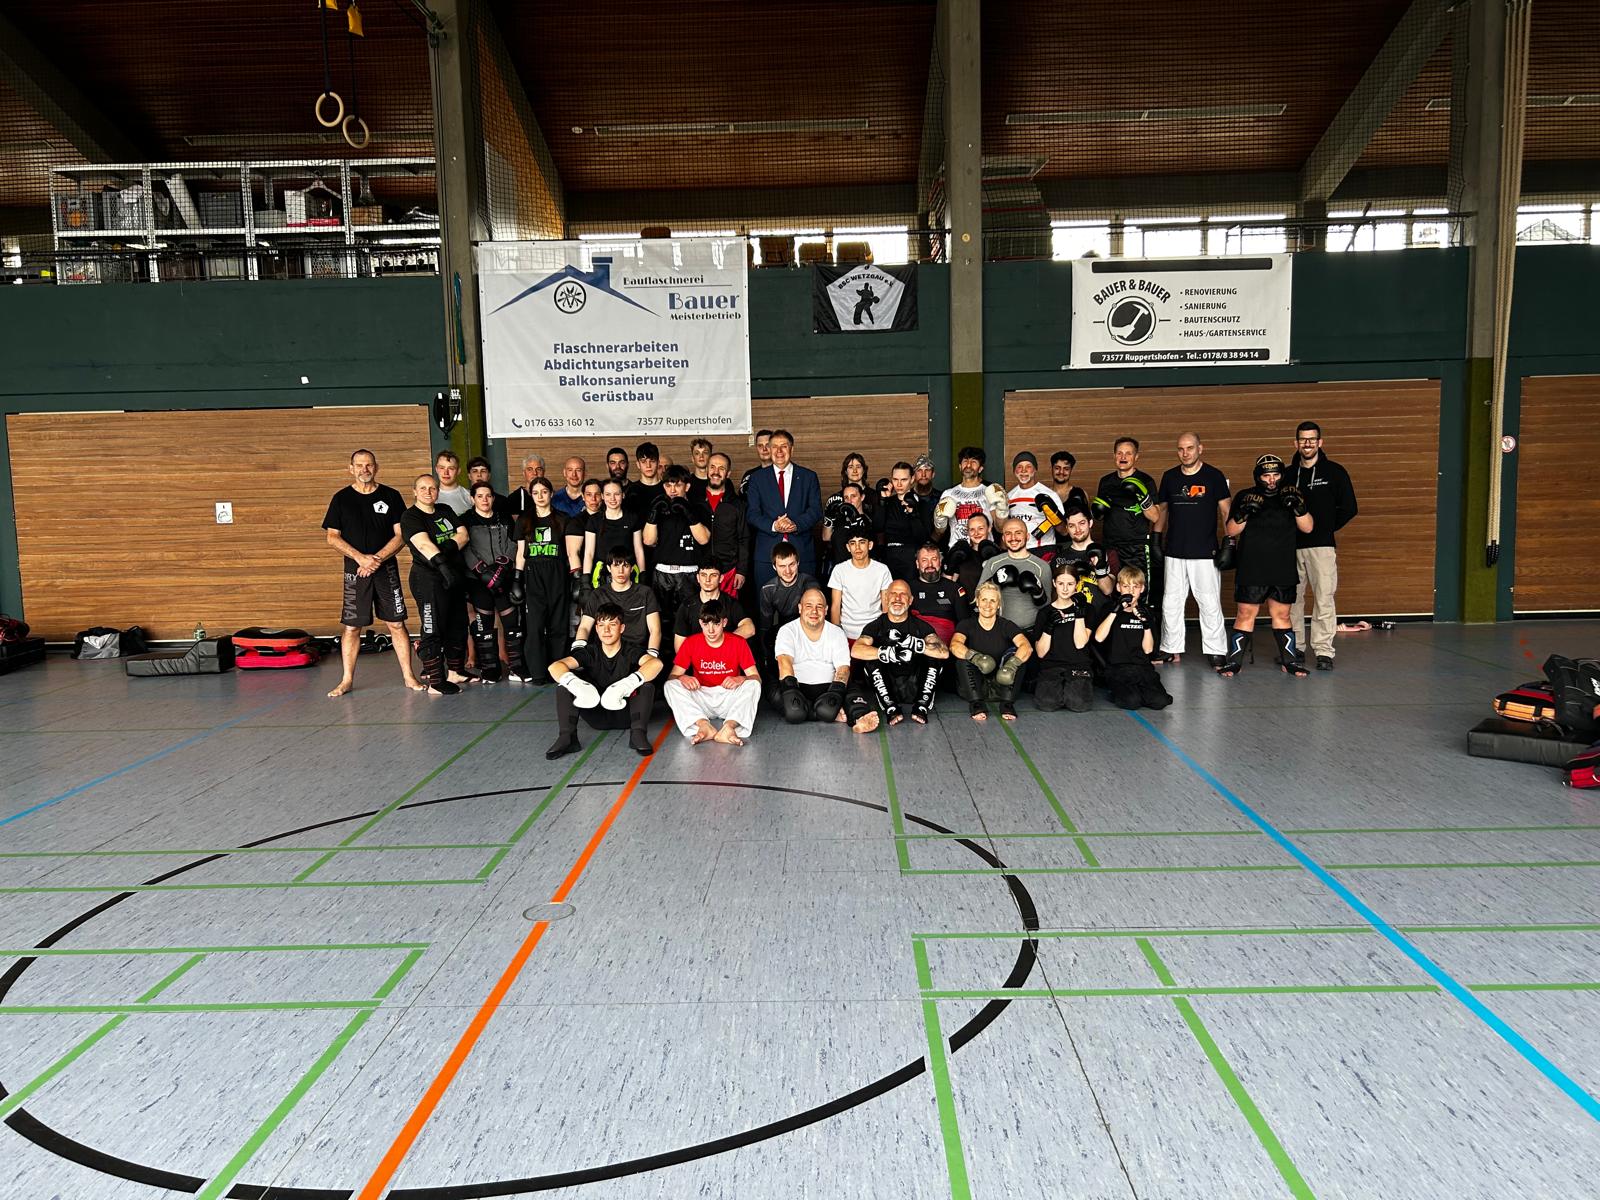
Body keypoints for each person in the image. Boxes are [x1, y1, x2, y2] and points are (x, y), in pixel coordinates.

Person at [322, 449, 421, 697]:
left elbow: (401, 535)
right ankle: (346, 680)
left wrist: (376, 559)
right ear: (351, 468)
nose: (364, 470)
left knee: (396, 623)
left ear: (376, 467)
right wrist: (360, 558)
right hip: (355, 570)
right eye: (359, 465)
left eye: (369, 465)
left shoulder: (391, 495)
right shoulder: (341, 499)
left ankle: (409, 676)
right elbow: (332, 537)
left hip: (385, 568)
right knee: (352, 627)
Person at [1218, 454, 1315, 678]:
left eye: (1276, 474)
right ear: (1258, 476)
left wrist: (1299, 508)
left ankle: (1289, 661)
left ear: (1281, 475)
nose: (1271, 480)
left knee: (1282, 614)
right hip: (1252, 565)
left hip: (1282, 566)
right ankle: (1234, 663)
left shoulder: (1292, 494)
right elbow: (1231, 531)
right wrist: (1243, 512)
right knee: (1245, 613)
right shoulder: (1245, 495)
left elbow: (1308, 528)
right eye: (1266, 475)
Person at [1285, 421, 1358, 670]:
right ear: (1295, 443)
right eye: (1303, 439)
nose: (1307, 444)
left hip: (1322, 547)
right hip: (1291, 546)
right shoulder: (1287, 474)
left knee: (1324, 598)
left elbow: (1350, 508)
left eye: (1312, 439)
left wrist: (1326, 530)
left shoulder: (1335, 472)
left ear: (1320, 442)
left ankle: (1324, 651)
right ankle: (1296, 647)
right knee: (1293, 599)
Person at [546, 602, 661, 759]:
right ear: (596, 628)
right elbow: (555, 667)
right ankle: (567, 737)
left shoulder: (630, 649)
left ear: (622, 628)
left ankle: (638, 735)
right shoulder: (590, 652)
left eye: (612, 624)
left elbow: (656, 663)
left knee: (647, 685)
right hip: (596, 713)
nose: (606, 630)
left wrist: (625, 685)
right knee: (564, 685)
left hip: (625, 715)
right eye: (601, 625)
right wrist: (577, 685)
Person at [1155, 432, 1231, 667]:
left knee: (1209, 602)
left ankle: (1216, 650)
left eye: (1190, 448)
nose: (1185, 453)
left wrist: (1230, 543)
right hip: (1175, 550)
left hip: (1204, 551)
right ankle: (1170, 648)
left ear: (1200, 448)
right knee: (1171, 602)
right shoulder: (1169, 477)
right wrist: (1155, 537)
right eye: (1181, 449)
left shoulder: (1214, 476)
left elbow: (1226, 511)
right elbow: (1163, 510)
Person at [400, 473, 469, 695]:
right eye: (423, 488)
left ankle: (455, 671)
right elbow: (423, 544)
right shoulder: (410, 517)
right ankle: (435, 681)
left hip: (454, 576)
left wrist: (445, 549)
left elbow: (463, 535)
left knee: (457, 624)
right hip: (428, 578)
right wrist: (443, 564)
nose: (428, 492)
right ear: (414, 491)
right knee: (433, 627)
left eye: (432, 488)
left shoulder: (445, 511)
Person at [848, 579, 949, 727]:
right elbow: (856, 650)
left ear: (910, 600)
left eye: (903, 594)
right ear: (886, 598)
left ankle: (922, 705)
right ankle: (890, 707)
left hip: (916, 686)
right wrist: (888, 653)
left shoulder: (920, 626)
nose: (897, 598)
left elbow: (944, 652)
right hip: (888, 686)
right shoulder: (875, 626)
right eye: (893, 594)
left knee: (934, 659)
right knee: (871, 661)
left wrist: (917, 645)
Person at [664, 600, 762, 746]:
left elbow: (756, 678)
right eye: (706, 624)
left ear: (724, 622)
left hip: (729, 696)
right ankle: (703, 725)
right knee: (670, 685)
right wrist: (683, 677)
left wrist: (740, 678)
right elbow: (673, 676)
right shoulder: (691, 642)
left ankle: (729, 727)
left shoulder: (738, 642)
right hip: (701, 696)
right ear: (700, 623)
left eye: (716, 624)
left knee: (753, 685)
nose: (710, 630)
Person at [745, 429, 823, 586]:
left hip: (802, 552)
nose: (779, 451)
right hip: (767, 555)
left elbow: (815, 511)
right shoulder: (756, 479)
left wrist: (795, 524)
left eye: (784, 446)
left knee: (805, 602)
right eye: (774, 446)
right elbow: (752, 514)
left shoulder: (809, 477)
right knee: (766, 605)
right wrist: (774, 525)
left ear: (792, 449)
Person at [461, 480, 521, 683]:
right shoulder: (465, 519)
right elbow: (465, 547)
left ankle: (517, 667)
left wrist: (504, 565)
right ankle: (490, 669)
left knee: (511, 621)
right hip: (478, 580)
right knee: (483, 622)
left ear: (493, 498)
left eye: (488, 496)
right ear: (472, 498)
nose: (484, 500)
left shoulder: (504, 517)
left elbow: (515, 542)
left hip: (503, 576)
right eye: (480, 496)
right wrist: (481, 570)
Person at [512, 477, 568, 685]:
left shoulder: (562, 519)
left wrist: (577, 578)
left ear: (551, 494)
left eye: (544, 492)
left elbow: (570, 552)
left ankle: (558, 669)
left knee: (558, 624)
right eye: (536, 493)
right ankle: (537, 672)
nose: (540, 496)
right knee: (534, 625)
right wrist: (517, 579)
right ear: (531, 496)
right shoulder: (524, 521)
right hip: (533, 575)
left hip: (558, 574)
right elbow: (520, 553)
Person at [643, 465, 712, 633]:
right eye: (668, 485)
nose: (672, 489)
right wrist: (653, 514)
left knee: (690, 620)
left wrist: (689, 514)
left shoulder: (699, 507)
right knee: (662, 622)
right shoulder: (659, 507)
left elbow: (704, 539)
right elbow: (648, 540)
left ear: (686, 486)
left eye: (677, 485)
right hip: (662, 573)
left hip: (689, 574)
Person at [1094, 566, 1173, 710]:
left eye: (1135, 587)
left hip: (1142, 667)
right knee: (1132, 701)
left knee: (1160, 701)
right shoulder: (1109, 608)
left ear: (1142, 589)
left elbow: (1148, 650)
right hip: (1117, 668)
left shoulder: (1147, 611)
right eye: (1126, 586)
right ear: (1118, 587)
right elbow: (1099, 638)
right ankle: (1119, 691)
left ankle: (1139, 690)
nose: (1130, 591)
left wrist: (1146, 624)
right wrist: (1115, 611)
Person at [951, 581, 1031, 720]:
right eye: (984, 600)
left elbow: (1026, 646)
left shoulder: (1006, 625)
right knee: (962, 660)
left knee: (1019, 658)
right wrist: (975, 657)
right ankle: (976, 704)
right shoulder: (967, 624)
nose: (988, 605)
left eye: (993, 601)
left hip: (1001, 685)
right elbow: (954, 645)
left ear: (998, 604)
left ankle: (1007, 704)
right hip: (976, 685)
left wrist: (1011, 665)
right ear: (977, 602)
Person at [773, 587, 852, 725]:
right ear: (800, 608)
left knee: (852, 688)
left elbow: (843, 668)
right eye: (808, 606)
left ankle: (856, 715)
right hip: (798, 685)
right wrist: (791, 690)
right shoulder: (787, 630)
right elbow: (784, 663)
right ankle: (824, 713)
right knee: (790, 708)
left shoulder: (837, 632)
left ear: (826, 610)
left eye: (819, 606)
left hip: (827, 686)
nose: (814, 611)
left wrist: (836, 692)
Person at [1032, 560, 1095, 712]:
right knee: (1047, 704)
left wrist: (1079, 613)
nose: (1065, 589)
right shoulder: (1044, 612)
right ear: (1054, 583)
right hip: (1051, 666)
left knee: (1078, 703)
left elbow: (1080, 643)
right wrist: (1049, 626)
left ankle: (1070, 689)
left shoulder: (1087, 609)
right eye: (1061, 583)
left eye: (1070, 584)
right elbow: (1040, 652)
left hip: (1078, 665)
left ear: (1077, 584)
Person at [575, 549, 662, 659]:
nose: (620, 571)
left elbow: (655, 630)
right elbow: (584, 627)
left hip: (637, 651)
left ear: (632, 568)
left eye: (625, 566)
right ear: (608, 568)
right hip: (605, 651)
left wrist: (651, 657)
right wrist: (578, 650)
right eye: (616, 565)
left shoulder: (645, 593)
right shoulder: (598, 594)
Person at [1092, 437, 1161, 577]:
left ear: (1136, 457)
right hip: (1111, 546)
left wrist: (1142, 495)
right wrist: (1097, 511)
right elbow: (1099, 516)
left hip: (1137, 548)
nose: (1123, 457)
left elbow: (1155, 516)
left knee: (1137, 592)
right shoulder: (1106, 481)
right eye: (1119, 453)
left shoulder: (1146, 480)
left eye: (1128, 453)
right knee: (1112, 591)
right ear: (1114, 456)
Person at [757, 541, 819, 682]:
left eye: (791, 564)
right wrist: (768, 658)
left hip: (808, 630)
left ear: (798, 563)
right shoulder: (768, 589)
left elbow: (815, 622)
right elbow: (765, 627)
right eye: (782, 566)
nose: (788, 571)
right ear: (774, 567)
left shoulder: (810, 584)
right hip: (783, 631)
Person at [977, 517, 1050, 631]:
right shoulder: (993, 563)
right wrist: (994, 581)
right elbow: (978, 597)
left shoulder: (1041, 566)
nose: (1013, 538)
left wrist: (1038, 593)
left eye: (1018, 533)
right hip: (999, 630)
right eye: (1008, 533)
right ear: (1003, 538)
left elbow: (1047, 608)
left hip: (1031, 630)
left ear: (1027, 536)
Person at [933, 445, 1008, 546]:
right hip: (957, 549)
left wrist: (1002, 509)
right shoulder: (948, 494)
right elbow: (940, 532)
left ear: (980, 468)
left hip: (984, 548)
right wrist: (939, 520)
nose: (968, 465)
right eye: (965, 461)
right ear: (960, 466)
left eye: (973, 462)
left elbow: (1000, 528)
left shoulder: (990, 491)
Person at [828, 525, 894, 639]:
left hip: (875, 630)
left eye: (862, 542)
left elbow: (886, 606)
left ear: (870, 545)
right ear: (848, 547)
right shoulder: (839, 570)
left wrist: (884, 631)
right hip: (846, 630)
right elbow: (835, 606)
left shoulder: (882, 570)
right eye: (853, 543)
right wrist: (836, 633)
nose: (857, 547)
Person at [675, 560, 755, 650]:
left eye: (713, 575)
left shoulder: (731, 603)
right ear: (698, 578)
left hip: (724, 657)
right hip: (698, 658)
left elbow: (749, 628)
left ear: (721, 578)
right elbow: (679, 646)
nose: (707, 580)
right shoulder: (687, 606)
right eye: (703, 575)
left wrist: (720, 644)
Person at [876, 461, 934, 582]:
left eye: (903, 479)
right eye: (895, 479)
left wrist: (913, 513)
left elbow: (924, 538)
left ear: (912, 479)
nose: (899, 484)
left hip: (910, 558)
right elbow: (878, 527)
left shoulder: (922, 504)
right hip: (889, 556)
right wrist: (882, 500)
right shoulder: (887, 502)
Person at [583, 479, 645, 586]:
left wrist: (643, 574)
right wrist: (585, 581)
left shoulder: (632, 518)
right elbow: (589, 553)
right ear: (602, 496)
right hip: (602, 575)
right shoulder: (594, 520)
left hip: (627, 573)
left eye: (617, 494)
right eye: (608, 494)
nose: (612, 498)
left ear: (623, 495)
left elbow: (638, 550)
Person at [702, 452, 748, 596]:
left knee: (727, 613)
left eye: (721, 468)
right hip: (701, 572)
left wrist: (741, 571)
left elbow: (744, 539)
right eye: (712, 467)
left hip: (729, 571)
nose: (716, 472)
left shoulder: (738, 504)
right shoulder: (694, 501)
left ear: (728, 473)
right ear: (707, 470)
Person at [909, 543, 967, 646]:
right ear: (917, 564)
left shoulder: (954, 589)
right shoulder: (908, 589)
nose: (930, 564)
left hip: (948, 649)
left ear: (940, 562)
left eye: (934, 559)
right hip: (918, 648)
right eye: (924, 560)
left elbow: (964, 625)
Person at [1007, 451, 1064, 554]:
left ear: (1035, 469)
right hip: (1018, 551)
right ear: (1014, 471)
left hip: (1044, 549)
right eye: (1019, 467)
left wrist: (1054, 517)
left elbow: (1064, 531)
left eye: (1028, 466)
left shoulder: (1049, 494)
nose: (1023, 471)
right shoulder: (1009, 496)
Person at [1054, 506, 1113, 596]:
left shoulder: (1108, 553)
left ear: (1090, 523)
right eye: (1071, 525)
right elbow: (1056, 596)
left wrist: (1099, 567)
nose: (1077, 529)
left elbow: (1108, 590)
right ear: (1067, 528)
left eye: (1082, 523)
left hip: (1101, 610)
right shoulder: (1059, 559)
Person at [943, 510, 1001, 600]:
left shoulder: (997, 554)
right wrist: (950, 568)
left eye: (980, 528)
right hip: (966, 608)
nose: (976, 533)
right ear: (968, 532)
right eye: (972, 529)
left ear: (989, 528)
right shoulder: (961, 554)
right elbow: (948, 587)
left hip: (991, 608)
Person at [821, 482, 870, 566]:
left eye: (853, 496)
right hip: (840, 568)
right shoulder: (839, 518)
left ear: (862, 497)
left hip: (860, 568)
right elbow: (826, 537)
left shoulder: (867, 519)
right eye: (846, 497)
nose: (849, 501)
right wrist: (829, 517)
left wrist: (855, 517)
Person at [624, 441, 667, 525]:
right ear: (638, 464)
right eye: (643, 462)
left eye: (652, 461)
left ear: (658, 463)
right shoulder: (631, 491)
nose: (648, 465)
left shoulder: (667, 489)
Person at [505, 453, 545, 521]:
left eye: (538, 469)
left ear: (543, 472)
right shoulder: (514, 498)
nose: (534, 473)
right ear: (524, 473)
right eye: (530, 469)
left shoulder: (551, 496)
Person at [1048, 450, 1090, 516]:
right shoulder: (1044, 493)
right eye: (1057, 468)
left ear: (1071, 470)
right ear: (1051, 468)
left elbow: (1087, 522)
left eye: (1066, 469)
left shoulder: (1081, 494)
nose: (1061, 472)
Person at [434, 450, 472, 515]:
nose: (446, 473)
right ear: (436, 469)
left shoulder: (469, 496)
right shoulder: (429, 496)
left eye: (451, 468)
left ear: (458, 471)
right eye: (442, 468)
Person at [739, 429, 773, 495]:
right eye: (760, 446)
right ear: (756, 448)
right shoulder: (749, 475)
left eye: (768, 445)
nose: (764, 449)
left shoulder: (784, 473)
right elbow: (743, 500)